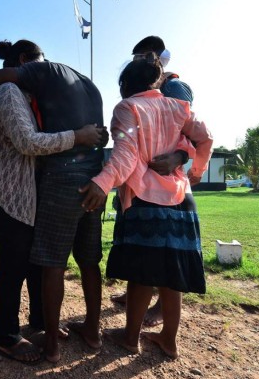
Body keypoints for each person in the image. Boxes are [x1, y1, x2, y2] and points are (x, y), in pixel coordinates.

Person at [80, 52, 213, 359]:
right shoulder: (179, 107)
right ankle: (168, 339)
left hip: (145, 199)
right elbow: (206, 138)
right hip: (179, 200)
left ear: (126, 84)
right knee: (171, 273)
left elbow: (125, 155)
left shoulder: (128, 107)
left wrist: (101, 182)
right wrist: (194, 172)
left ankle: (130, 337)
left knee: (141, 274)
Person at [0, 41, 105, 363]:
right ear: (23, 63)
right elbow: (27, 142)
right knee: (13, 268)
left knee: (37, 262)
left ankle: (39, 323)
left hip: (28, 195)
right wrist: (78, 136)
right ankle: (7, 336)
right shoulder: (8, 92)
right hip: (10, 196)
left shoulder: (25, 95)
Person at [110, 35, 195, 328]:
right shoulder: (145, 93)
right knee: (148, 258)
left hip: (162, 187)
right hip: (147, 184)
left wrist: (179, 156)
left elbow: (188, 130)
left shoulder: (171, 87)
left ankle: (155, 309)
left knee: (155, 260)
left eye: (144, 57)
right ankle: (143, 303)